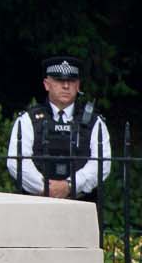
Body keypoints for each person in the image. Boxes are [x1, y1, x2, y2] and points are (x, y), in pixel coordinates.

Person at [7, 55, 112, 201]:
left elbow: (102, 164)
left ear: (78, 85)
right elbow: (16, 162)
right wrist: (46, 188)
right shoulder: (28, 120)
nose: (66, 86)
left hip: (81, 203)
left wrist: (69, 186)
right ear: (46, 84)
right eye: (59, 80)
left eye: (71, 81)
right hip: (37, 202)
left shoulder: (95, 122)